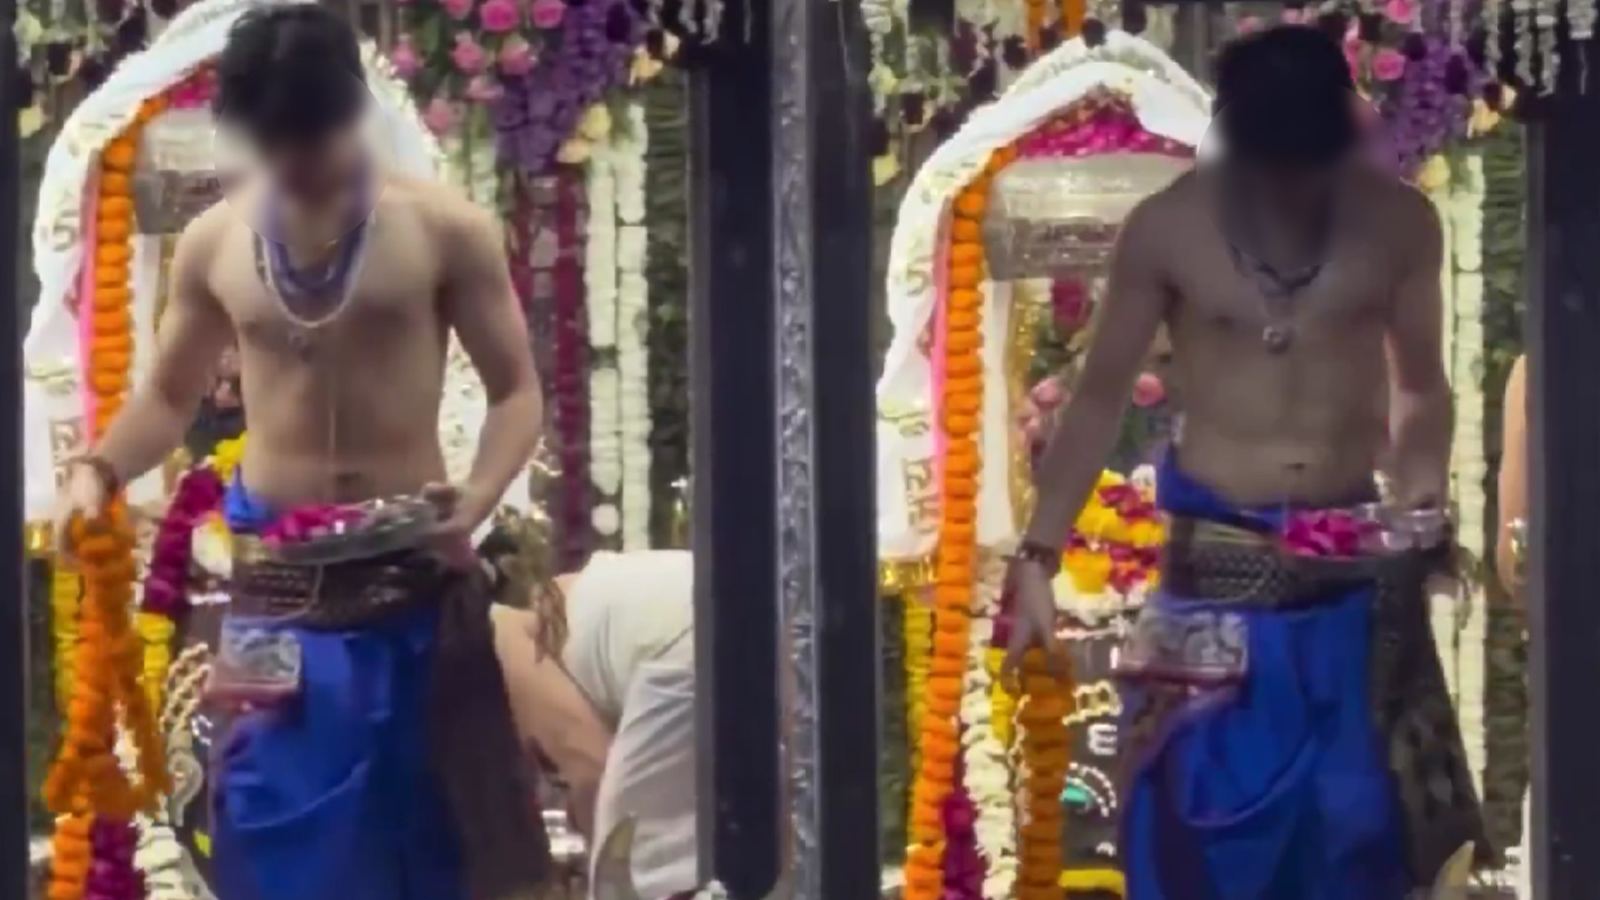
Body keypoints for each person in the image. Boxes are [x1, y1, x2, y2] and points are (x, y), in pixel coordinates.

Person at [52, 6, 546, 899]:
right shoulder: (216, 243)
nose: (294, 165)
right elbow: (167, 398)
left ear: (352, 111)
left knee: (422, 839)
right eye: (272, 144)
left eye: (310, 141)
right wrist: (97, 470)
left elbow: (517, 394)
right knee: (262, 813)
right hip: (271, 598)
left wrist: (476, 500)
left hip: (408, 588)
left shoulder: (444, 229)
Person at [1004, 26, 1485, 899]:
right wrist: (1037, 556)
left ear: (1340, 133)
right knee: (1195, 843)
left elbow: (1420, 387)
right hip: (1210, 583)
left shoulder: (1398, 225)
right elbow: (1099, 398)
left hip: (1349, 592)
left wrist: (1420, 499)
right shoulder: (1168, 228)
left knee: (1358, 834)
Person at [489, 548, 697, 899]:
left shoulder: (496, 637)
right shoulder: (560, 610)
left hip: (683, 640)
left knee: (630, 872)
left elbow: (589, 766)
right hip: (733, 615)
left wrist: (591, 839)